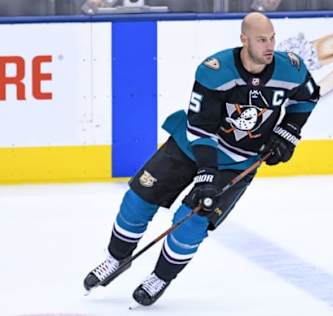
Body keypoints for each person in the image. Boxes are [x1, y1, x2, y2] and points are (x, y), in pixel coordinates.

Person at [83, 11, 320, 307]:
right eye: (261, 40)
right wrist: (206, 174)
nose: (269, 46)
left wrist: (289, 131)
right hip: (191, 144)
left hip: (239, 161)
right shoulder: (215, 70)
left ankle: (160, 277)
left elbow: (308, 97)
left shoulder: (291, 69)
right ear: (244, 40)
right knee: (138, 199)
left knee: (191, 223)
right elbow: (201, 128)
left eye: (272, 38)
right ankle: (115, 259)